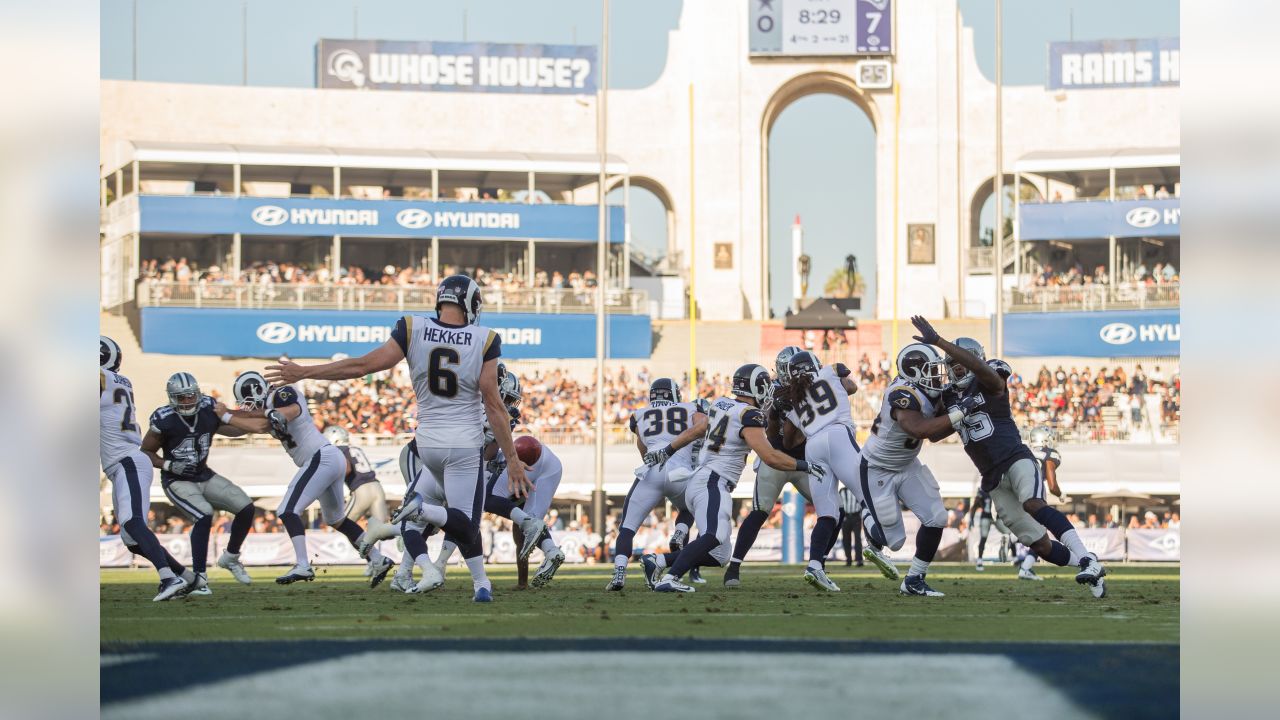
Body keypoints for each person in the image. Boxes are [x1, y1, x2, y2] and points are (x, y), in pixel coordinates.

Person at [265, 274, 529, 603]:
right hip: (462, 443)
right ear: (472, 304)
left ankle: (481, 586)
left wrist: (305, 372)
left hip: (426, 443)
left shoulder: (412, 326)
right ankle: (423, 512)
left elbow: (361, 366)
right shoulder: (485, 339)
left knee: (458, 519)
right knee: (466, 526)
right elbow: (493, 404)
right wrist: (514, 461)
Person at [913, 317, 1107, 598]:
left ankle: (1086, 559)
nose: (954, 370)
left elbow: (987, 374)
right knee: (1039, 545)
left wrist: (940, 341)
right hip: (991, 477)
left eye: (959, 364)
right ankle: (1090, 564)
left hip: (1015, 457)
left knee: (1033, 503)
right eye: (951, 366)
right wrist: (952, 412)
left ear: (972, 360)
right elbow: (933, 435)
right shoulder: (950, 397)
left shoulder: (990, 376)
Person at [643, 364, 827, 593]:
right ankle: (671, 577)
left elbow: (696, 431)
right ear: (758, 387)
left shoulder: (720, 403)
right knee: (715, 535)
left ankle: (658, 562)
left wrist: (668, 450)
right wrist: (805, 465)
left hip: (703, 481)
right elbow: (769, 456)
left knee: (720, 555)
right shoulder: (749, 415)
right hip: (713, 482)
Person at [218, 371, 394, 587]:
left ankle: (303, 564)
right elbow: (240, 427)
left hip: (321, 457)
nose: (248, 408)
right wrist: (214, 422)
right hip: (328, 459)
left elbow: (291, 410)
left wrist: (231, 414)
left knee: (287, 510)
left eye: (247, 402)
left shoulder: (281, 393)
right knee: (336, 519)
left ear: (257, 390)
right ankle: (378, 560)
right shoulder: (268, 408)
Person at [858, 343, 966, 597]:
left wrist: (961, 415)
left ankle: (914, 579)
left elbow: (937, 434)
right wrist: (961, 413)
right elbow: (919, 429)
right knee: (892, 541)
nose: (937, 375)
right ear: (914, 372)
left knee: (937, 517)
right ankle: (867, 517)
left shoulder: (927, 390)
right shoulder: (901, 393)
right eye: (930, 370)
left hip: (906, 465)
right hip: (878, 468)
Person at [141, 372, 257, 593]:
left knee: (246, 507)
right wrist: (168, 465)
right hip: (177, 480)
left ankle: (231, 557)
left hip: (204, 475)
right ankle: (200, 578)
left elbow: (230, 429)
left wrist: (250, 422)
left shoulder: (208, 407)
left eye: (191, 395)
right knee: (204, 514)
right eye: (182, 397)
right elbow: (145, 451)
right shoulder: (164, 418)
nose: (188, 401)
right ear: (172, 398)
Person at [100, 336, 194, 601]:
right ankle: (188, 578)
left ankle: (168, 578)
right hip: (123, 463)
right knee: (132, 541)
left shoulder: (102, 380)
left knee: (133, 522)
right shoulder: (118, 382)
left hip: (127, 461)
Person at [723, 347, 816, 589]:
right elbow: (765, 428)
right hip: (775, 458)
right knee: (760, 511)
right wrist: (774, 411)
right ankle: (733, 567)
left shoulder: (815, 387)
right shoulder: (769, 389)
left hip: (805, 458)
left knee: (832, 510)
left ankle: (818, 566)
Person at [770, 350, 859, 592]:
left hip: (812, 448)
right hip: (838, 436)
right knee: (867, 490)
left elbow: (787, 441)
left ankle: (815, 565)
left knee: (827, 514)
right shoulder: (830, 371)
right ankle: (877, 547)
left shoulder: (794, 400)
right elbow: (852, 387)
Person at [609, 377, 706, 591]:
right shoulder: (690, 407)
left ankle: (619, 573)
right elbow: (702, 427)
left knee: (627, 528)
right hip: (680, 472)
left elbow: (643, 450)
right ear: (674, 394)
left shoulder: (639, 415)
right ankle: (680, 532)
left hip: (651, 471)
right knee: (688, 507)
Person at [321, 425, 391, 578]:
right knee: (382, 531)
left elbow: (346, 469)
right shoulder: (355, 448)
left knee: (345, 524)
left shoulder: (338, 450)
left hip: (361, 490)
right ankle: (404, 535)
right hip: (376, 487)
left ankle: (373, 560)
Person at [1012, 426, 1066, 581]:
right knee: (1040, 534)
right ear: (1044, 439)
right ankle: (1025, 568)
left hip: (1015, 492)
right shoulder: (1050, 454)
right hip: (1034, 495)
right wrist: (1061, 494)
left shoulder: (1023, 449)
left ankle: (1011, 538)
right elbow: (1052, 485)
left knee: (1031, 530)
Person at [839, 486, 863, 567]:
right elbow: (839, 504)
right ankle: (848, 560)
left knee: (857, 539)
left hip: (856, 516)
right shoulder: (842, 491)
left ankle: (859, 560)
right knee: (846, 539)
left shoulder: (857, 490)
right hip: (845, 517)